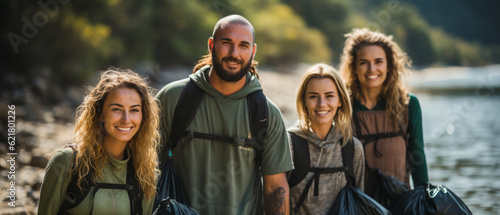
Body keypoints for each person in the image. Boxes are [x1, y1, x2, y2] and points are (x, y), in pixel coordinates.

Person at [156, 14, 294, 215]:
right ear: (211, 45)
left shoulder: (266, 114)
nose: (234, 53)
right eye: (226, 42)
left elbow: (275, 188)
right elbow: (144, 166)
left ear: (253, 51)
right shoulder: (173, 98)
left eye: (243, 45)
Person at [38, 69, 160, 214]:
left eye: (134, 110)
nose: (126, 120)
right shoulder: (66, 162)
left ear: (143, 116)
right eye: (116, 109)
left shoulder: (146, 172)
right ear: (99, 113)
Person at [339, 28, 429, 198]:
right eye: (364, 62)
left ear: (389, 66)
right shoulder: (342, 106)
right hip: (356, 207)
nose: (371, 69)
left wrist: (426, 201)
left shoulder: (409, 105)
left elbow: (419, 158)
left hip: (400, 205)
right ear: (354, 67)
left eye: (378, 61)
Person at [287, 63, 365, 214]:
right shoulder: (289, 143)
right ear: (304, 100)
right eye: (313, 96)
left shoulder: (353, 148)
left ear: (340, 100)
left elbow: (359, 204)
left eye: (329, 96)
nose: (321, 104)